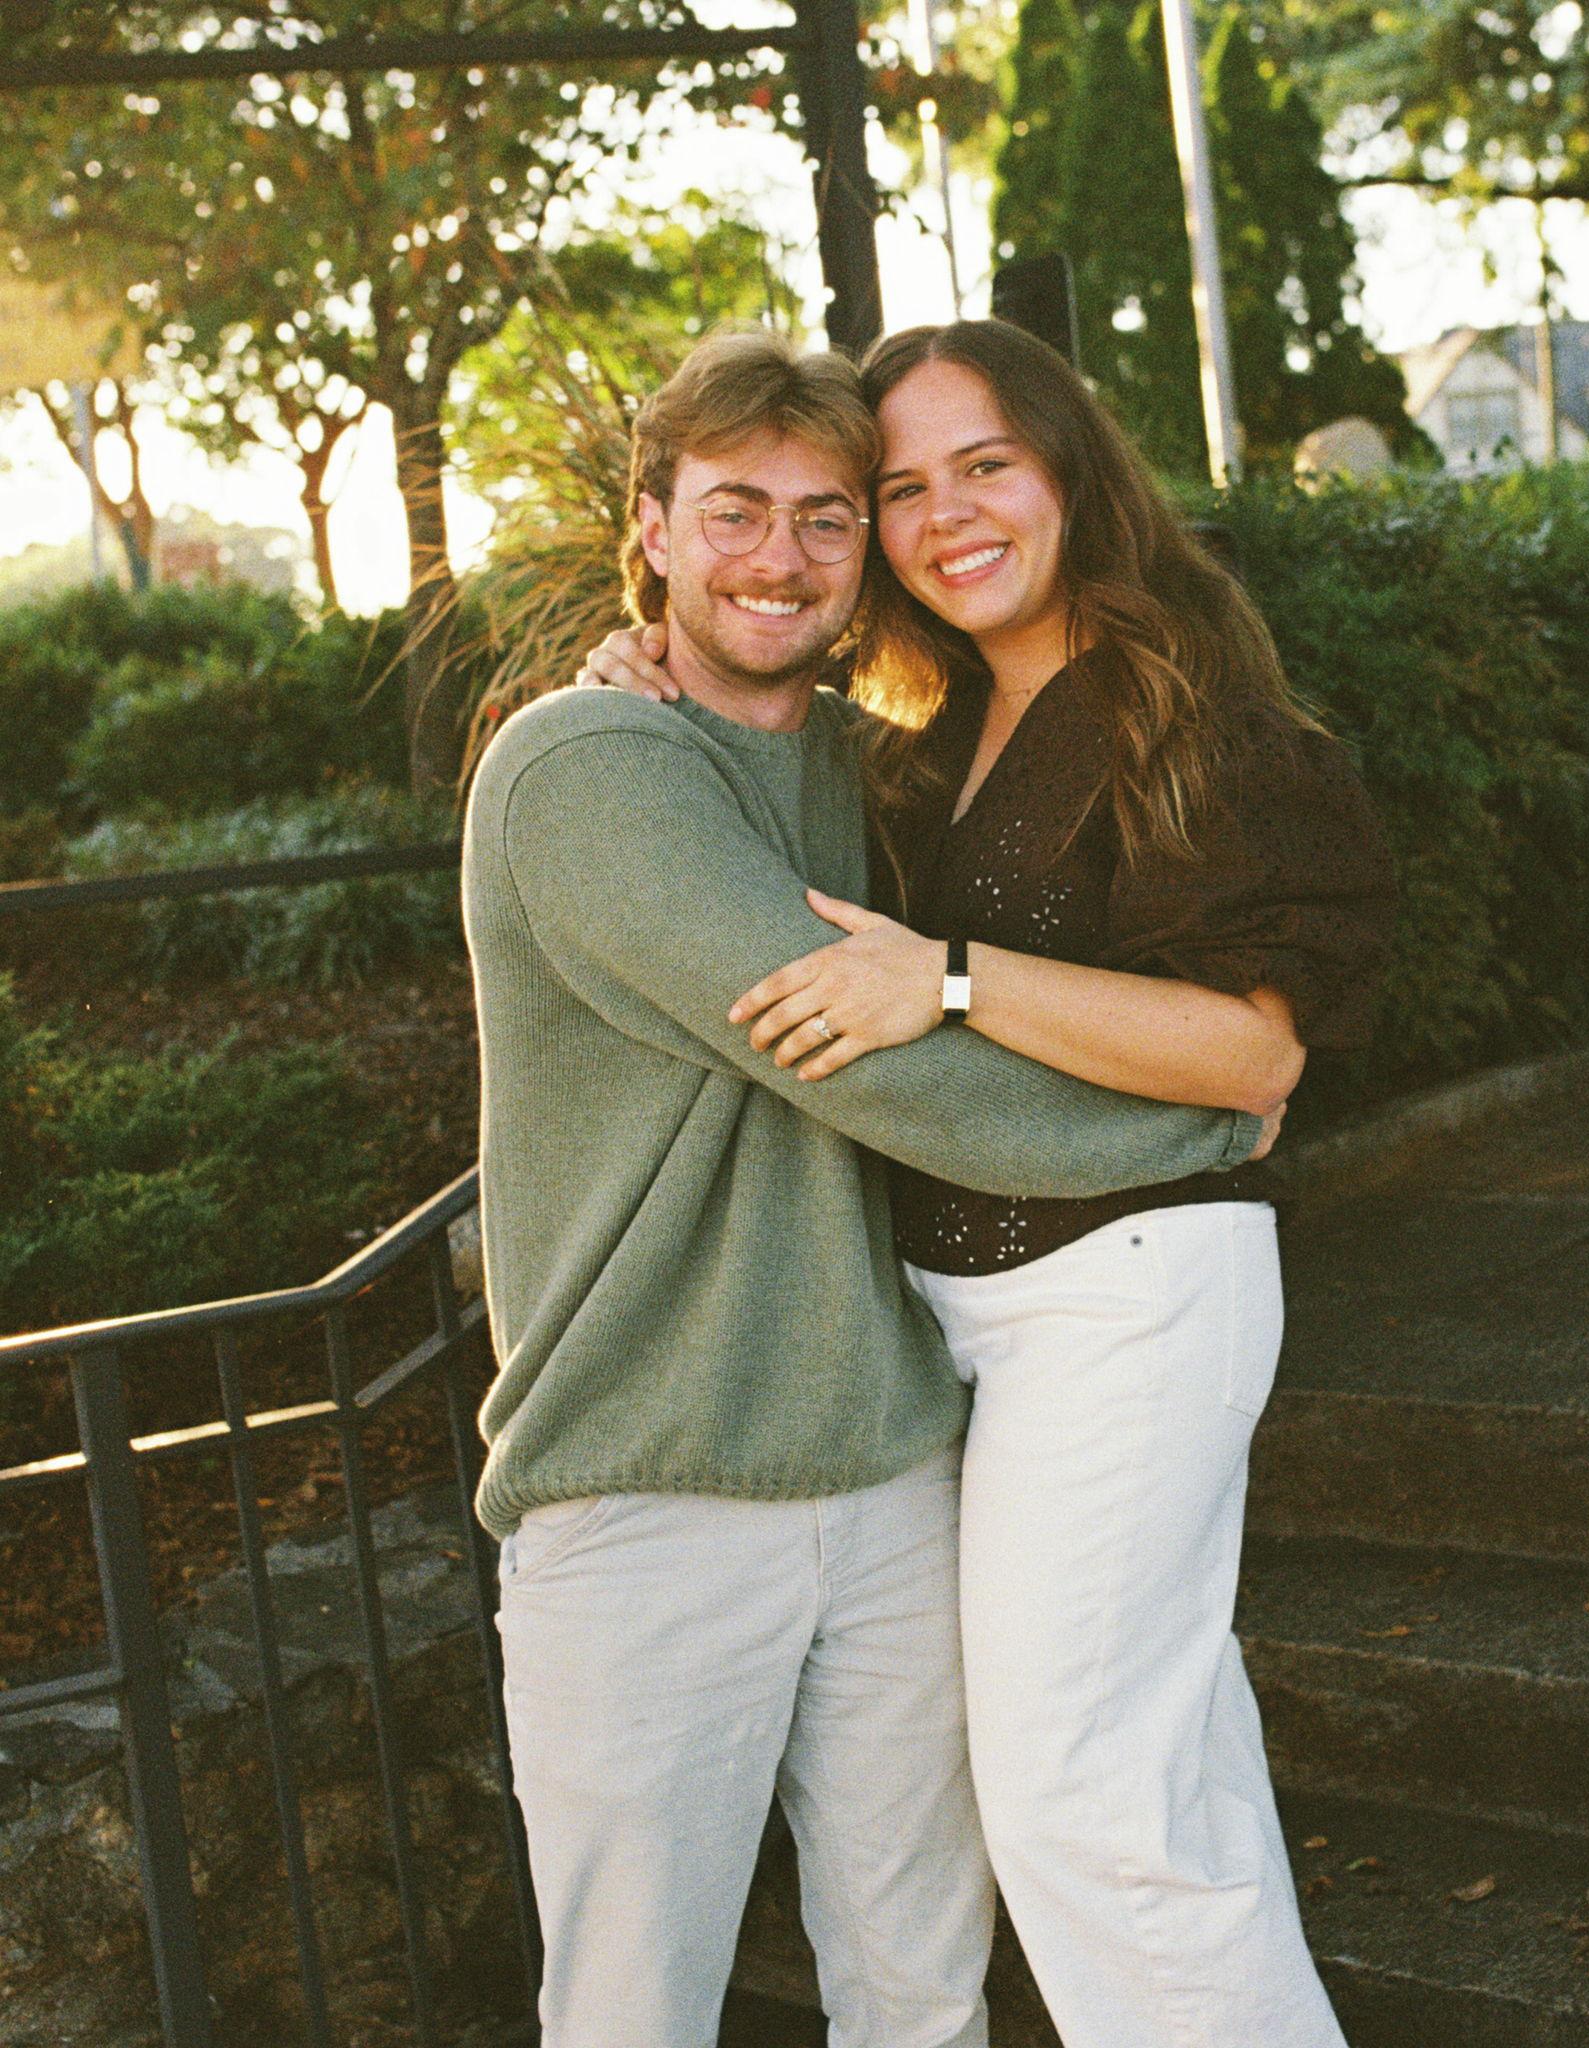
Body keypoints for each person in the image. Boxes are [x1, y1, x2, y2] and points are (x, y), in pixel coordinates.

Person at [461, 329, 1280, 2048]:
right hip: (651, 1482)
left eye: (827, 518)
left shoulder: (881, 767)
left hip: (899, 1470)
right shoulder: (587, 765)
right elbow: (880, 1064)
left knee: (921, 1997)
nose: (779, 557)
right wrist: (1208, 1122)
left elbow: (992, 973)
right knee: (629, 2014)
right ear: (651, 528)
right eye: (734, 511)